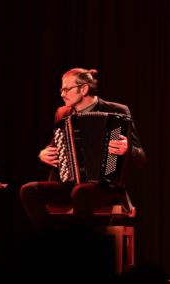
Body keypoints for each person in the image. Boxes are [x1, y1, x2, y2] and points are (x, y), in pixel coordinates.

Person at [20, 67, 146, 234]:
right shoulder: (63, 113)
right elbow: (53, 148)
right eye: (61, 89)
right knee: (28, 191)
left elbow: (141, 157)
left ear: (84, 89)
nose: (62, 94)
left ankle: (81, 251)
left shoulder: (118, 111)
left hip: (106, 187)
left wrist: (127, 149)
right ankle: (49, 244)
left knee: (81, 192)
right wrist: (43, 155)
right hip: (69, 186)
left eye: (66, 89)